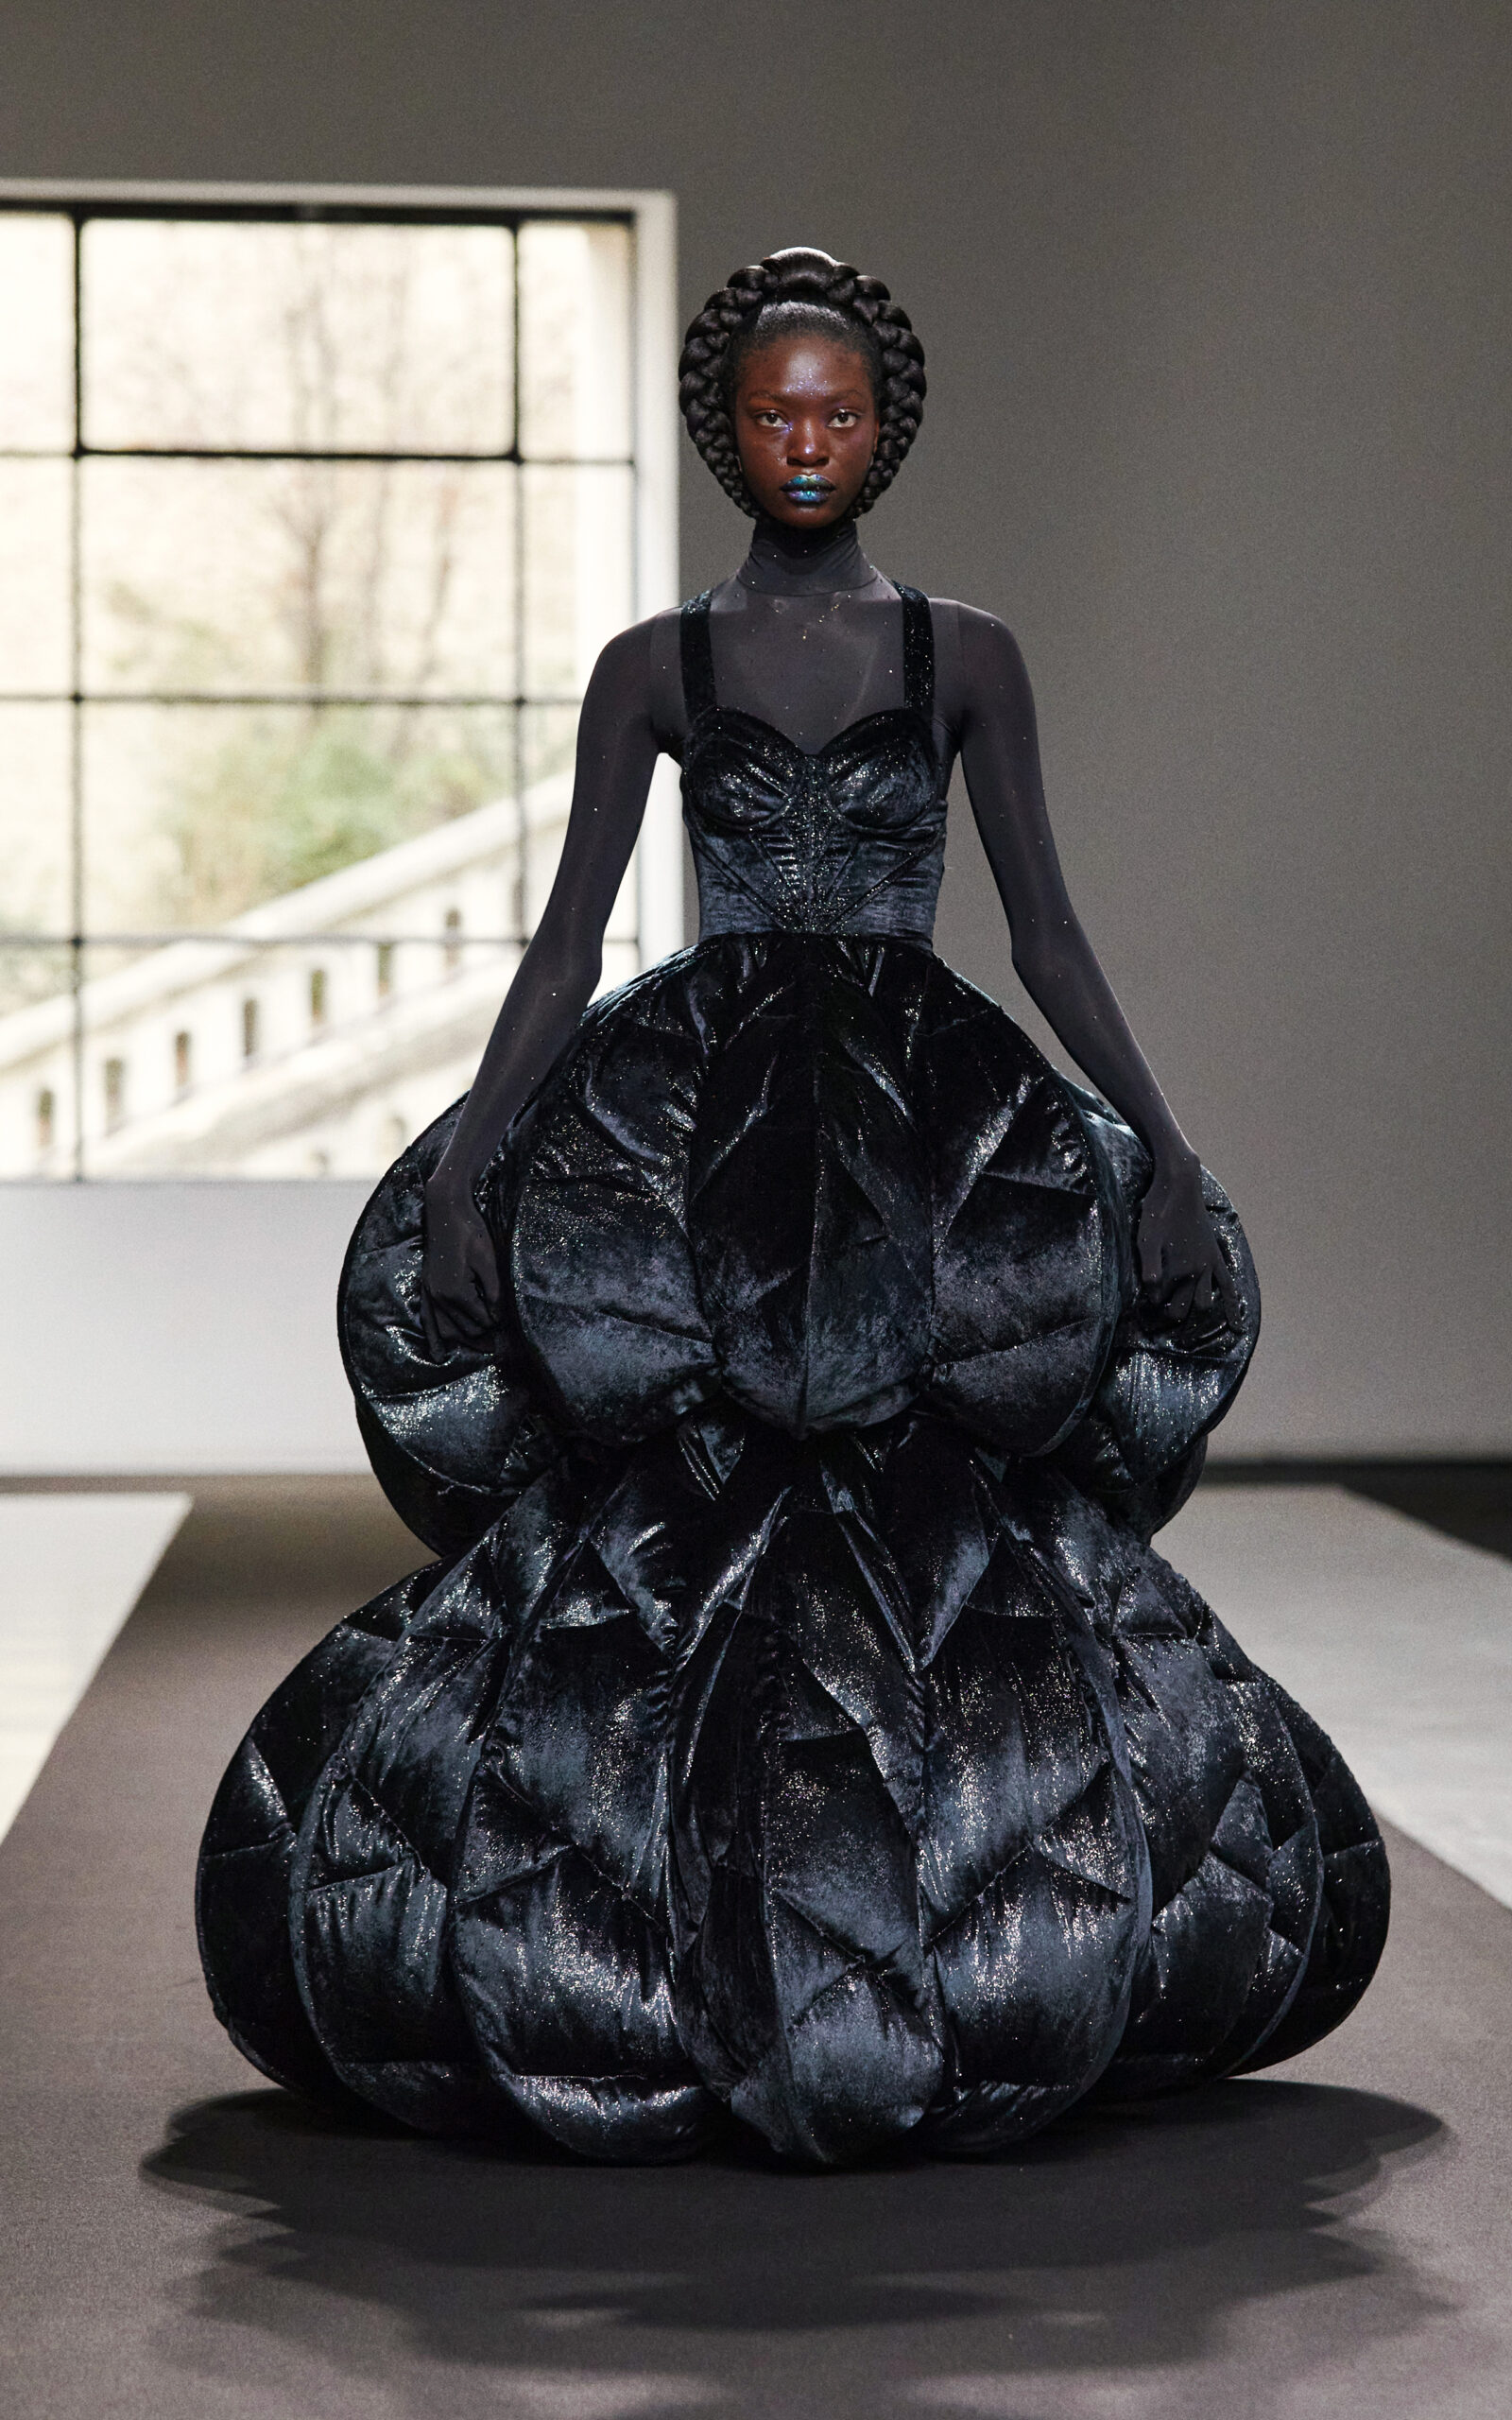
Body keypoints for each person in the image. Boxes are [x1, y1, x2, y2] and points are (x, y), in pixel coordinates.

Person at [198, 248, 1388, 2167]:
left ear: (885, 425)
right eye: (772, 413)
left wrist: (1162, 1147)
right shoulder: (655, 667)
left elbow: (1048, 931)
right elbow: (569, 935)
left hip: (922, 1113)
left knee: (942, 1495)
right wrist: (478, 1158)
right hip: (709, 1114)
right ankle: (676, 1931)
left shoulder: (964, 655)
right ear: (724, 433)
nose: (806, 441)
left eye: (835, 411)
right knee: (676, 1496)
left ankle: (950, 1916)